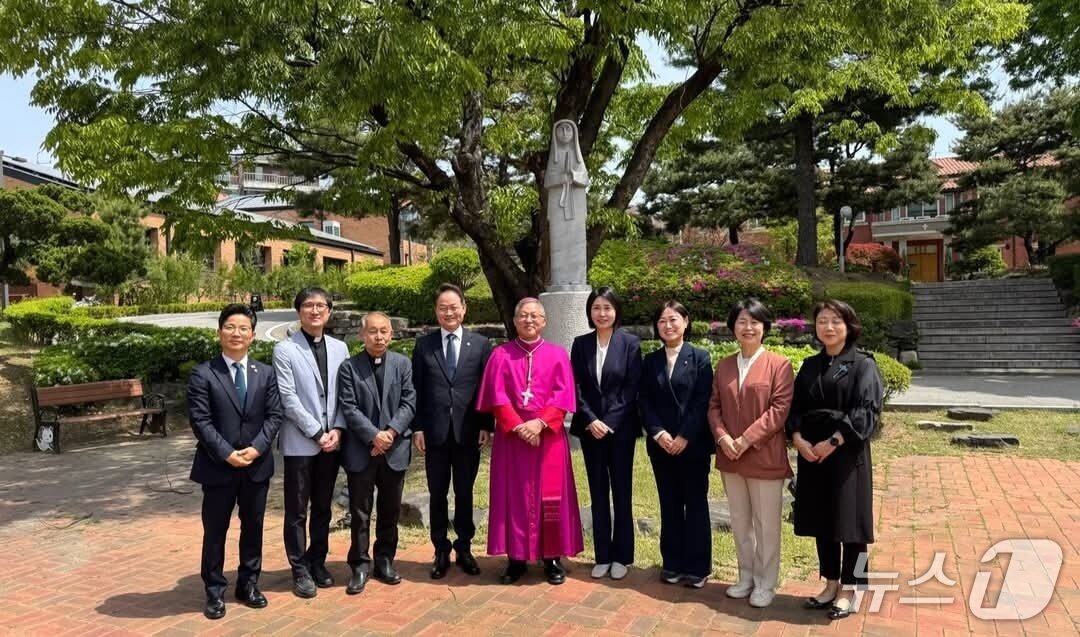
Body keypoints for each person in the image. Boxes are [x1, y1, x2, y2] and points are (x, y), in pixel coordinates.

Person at [476, 297, 583, 585]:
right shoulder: (501, 355)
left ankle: (552, 559)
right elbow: (497, 396)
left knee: (551, 497)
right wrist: (519, 426)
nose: (529, 320)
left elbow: (563, 396)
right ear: (515, 320)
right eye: (523, 315)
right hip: (512, 440)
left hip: (548, 438)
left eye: (535, 316)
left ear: (544, 321)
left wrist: (539, 423)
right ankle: (516, 559)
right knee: (514, 496)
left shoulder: (558, 355)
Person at [787, 300, 883, 620]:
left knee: (851, 523)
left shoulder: (862, 364)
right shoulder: (810, 365)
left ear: (849, 325)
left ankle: (850, 589)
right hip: (812, 452)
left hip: (846, 453)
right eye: (822, 321)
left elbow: (867, 410)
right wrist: (798, 438)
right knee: (821, 519)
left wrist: (835, 440)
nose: (828, 327)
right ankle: (830, 583)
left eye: (835, 321)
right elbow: (795, 406)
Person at [187, 304, 283, 620]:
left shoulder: (265, 373)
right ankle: (214, 592)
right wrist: (227, 453)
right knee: (215, 531)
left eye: (243, 328)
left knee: (253, 528)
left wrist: (255, 450)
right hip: (218, 467)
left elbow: (274, 416)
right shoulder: (204, 373)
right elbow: (200, 420)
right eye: (230, 327)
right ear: (219, 333)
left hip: (256, 466)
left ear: (253, 336)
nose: (236, 333)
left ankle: (248, 584)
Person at [707, 298, 794, 608]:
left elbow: (779, 410)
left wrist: (744, 440)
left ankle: (766, 582)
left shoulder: (779, 364)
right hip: (730, 456)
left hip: (764, 456)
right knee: (740, 520)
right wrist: (722, 437)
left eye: (754, 322)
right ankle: (746, 576)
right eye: (742, 321)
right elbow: (714, 405)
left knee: (767, 524)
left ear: (764, 328)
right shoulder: (725, 365)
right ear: (733, 327)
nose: (748, 327)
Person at [412, 283, 494, 579]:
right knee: (437, 493)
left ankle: (464, 546)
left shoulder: (480, 344)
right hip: (433, 432)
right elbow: (417, 390)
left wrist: (486, 424)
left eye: (453, 307)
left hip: (468, 431)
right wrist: (417, 427)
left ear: (464, 308)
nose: (449, 312)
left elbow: (487, 389)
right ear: (436, 312)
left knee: (464, 491)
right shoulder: (424, 345)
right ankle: (440, 549)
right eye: (443, 308)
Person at [272, 287, 350, 598]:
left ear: (329, 311)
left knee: (322, 507)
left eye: (321, 306)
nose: (315, 311)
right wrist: (318, 432)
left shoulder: (340, 348)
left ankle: (318, 561)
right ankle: (299, 568)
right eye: (308, 305)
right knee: (296, 510)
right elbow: (288, 399)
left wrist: (339, 430)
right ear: (299, 311)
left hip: (333, 441)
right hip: (301, 443)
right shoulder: (285, 350)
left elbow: (346, 394)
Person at [336, 311, 416, 595]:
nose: (379, 336)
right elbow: (349, 407)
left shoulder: (403, 365)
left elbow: (409, 402)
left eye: (384, 331)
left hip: (395, 448)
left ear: (391, 334)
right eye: (373, 331)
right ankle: (359, 565)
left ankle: (384, 560)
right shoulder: (349, 368)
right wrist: (373, 435)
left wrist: (390, 433)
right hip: (362, 450)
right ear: (362, 335)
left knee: (390, 510)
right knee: (359, 511)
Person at [639, 300, 714, 588]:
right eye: (662, 321)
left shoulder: (700, 357)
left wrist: (684, 435)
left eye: (673, 319)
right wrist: (658, 432)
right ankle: (672, 562)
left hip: (692, 445)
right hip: (661, 446)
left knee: (695, 504)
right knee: (668, 504)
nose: (668, 326)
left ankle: (697, 567)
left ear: (685, 321)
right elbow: (644, 400)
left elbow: (702, 400)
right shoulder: (650, 361)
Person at [570, 287, 642, 580]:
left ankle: (622, 556)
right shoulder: (580, 344)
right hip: (590, 431)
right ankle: (602, 554)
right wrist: (591, 420)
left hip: (621, 430)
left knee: (621, 492)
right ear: (590, 311)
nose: (602, 313)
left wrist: (609, 421)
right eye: (597, 308)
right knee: (598, 491)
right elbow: (574, 387)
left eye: (607, 308)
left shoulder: (630, 343)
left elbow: (631, 388)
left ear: (616, 311)